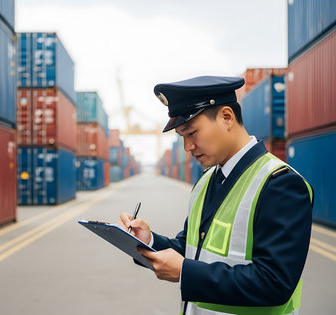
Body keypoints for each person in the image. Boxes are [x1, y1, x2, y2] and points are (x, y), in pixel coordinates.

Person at [118, 76, 314, 315]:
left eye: (192, 133)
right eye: (182, 137)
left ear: (226, 117)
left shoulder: (280, 183)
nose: (187, 147)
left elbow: (274, 283)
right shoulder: (206, 181)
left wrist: (185, 273)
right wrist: (148, 241)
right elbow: (191, 249)